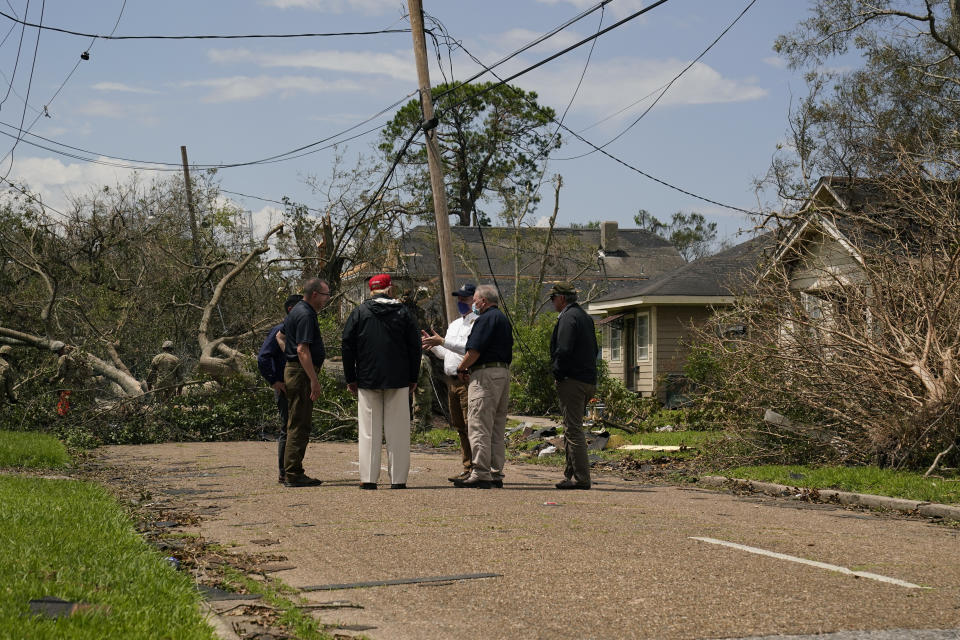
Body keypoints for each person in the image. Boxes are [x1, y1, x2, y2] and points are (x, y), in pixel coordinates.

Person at [342, 273, 421, 490]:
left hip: (367, 377)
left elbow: (347, 345)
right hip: (398, 377)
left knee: (369, 430)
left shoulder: (359, 312)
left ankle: (368, 478)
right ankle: (398, 480)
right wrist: (413, 377)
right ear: (390, 288)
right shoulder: (404, 313)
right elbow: (415, 347)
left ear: (370, 290)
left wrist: (351, 377)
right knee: (398, 430)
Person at [454, 284, 513, 489]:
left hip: (485, 375)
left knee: (479, 423)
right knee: (497, 425)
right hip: (503, 373)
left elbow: (474, 350)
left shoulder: (485, 319)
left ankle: (480, 472)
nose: (473, 303)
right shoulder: (503, 320)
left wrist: (461, 368)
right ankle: (496, 471)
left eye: (475, 300)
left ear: (484, 301)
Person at [421, 283, 478, 482]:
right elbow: (448, 353)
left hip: (468, 380)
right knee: (460, 426)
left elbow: (470, 349)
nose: (461, 302)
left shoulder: (478, 322)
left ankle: (478, 468)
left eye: (465, 298)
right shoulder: (454, 324)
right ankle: (467, 466)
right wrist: (434, 345)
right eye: (459, 298)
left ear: (476, 299)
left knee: (472, 425)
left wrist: (442, 342)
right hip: (451, 381)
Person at [281, 278, 332, 488]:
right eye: (325, 295)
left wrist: (288, 355)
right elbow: (302, 350)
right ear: (314, 294)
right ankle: (293, 473)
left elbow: (280, 336)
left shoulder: (298, 311)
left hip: (295, 370)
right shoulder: (305, 314)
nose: (327, 299)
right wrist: (313, 380)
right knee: (299, 424)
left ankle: (291, 471)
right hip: (301, 374)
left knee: (297, 421)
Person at [549, 282, 598, 490]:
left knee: (573, 429)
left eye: (552, 299)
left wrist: (558, 373)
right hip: (587, 380)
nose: (552, 303)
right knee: (571, 428)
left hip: (573, 381)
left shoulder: (568, 318)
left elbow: (564, 349)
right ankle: (570, 475)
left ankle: (582, 478)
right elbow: (595, 349)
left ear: (561, 298)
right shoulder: (584, 317)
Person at [258, 294, 303, 484]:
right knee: (287, 428)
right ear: (292, 310)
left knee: (297, 427)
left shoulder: (298, 330)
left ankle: (293, 469)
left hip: (297, 385)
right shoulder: (280, 331)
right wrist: (274, 381)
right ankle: (284, 472)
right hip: (284, 387)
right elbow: (263, 357)